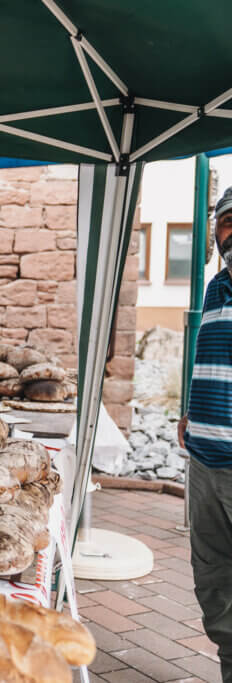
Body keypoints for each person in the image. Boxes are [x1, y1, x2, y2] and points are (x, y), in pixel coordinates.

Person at [178, 186, 232, 682]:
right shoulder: (216, 286)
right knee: (213, 581)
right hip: (204, 460)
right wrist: (187, 411)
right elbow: (207, 353)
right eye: (227, 223)